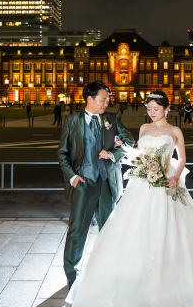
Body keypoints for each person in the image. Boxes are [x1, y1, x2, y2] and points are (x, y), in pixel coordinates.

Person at [67, 90, 193, 307]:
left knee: (169, 228)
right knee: (133, 227)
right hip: (142, 184)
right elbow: (138, 154)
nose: (152, 113)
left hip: (166, 182)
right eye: (149, 109)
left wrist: (175, 176)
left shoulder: (175, 131)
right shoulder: (144, 129)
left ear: (166, 109)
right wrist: (120, 149)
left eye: (156, 109)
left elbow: (182, 157)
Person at [57, 81, 135, 291]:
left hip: (107, 183)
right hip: (83, 183)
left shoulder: (112, 119)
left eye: (108, 99)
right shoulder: (73, 121)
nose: (106, 103)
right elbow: (62, 153)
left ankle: (109, 270)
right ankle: (71, 274)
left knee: (109, 229)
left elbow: (130, 141)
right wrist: (73, 177)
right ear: (89, 98)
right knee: (77, 230)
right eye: (103, 99)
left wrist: (114, 153)